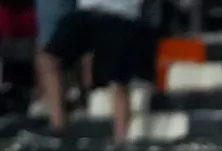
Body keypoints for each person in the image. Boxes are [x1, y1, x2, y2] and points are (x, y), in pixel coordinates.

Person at [39, 0, 145, 143]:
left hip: (121, 16)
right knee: (48, 59)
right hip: (87, 12)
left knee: (118, 80)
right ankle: (58, 125)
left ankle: (120, 139)